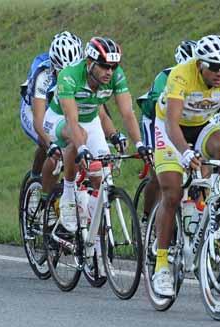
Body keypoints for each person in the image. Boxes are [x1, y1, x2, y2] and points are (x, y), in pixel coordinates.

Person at [151, 34, 220, 297]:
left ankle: (217, 203)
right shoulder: (181, 74)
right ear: (200, 64)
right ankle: (162, 265)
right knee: (172, 192)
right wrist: (184, 153)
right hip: (171, 130)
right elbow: (171, 123)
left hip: (202, 126)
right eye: (214, 66)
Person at [42, 36, 149, 233]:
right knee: (78, 137)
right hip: (59, 119)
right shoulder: (70, 75)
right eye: (104, 66)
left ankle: (90, 231)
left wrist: (140, 144)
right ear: (90, 63)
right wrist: (82, 148)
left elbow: (127, 113)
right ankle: (67, 193)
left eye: (113, 66)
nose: (110, 71)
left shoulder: (115, 76)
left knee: (101, 173)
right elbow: (72, 119)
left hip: (90, 120)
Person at [136, 40, 196, 233]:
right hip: (155, 119)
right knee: (157, 171)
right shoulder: (166, 76)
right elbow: (159, 114)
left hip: (184, 120)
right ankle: (146, 219)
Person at [19, 31, 83, 179]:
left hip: (60, 108)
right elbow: (39, 122)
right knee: (49, 144)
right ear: (54, 66)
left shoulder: (83, 71)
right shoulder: (43, 75)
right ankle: (35, 180)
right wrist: (50, 144)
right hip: (34, 109)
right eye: (62, 71)